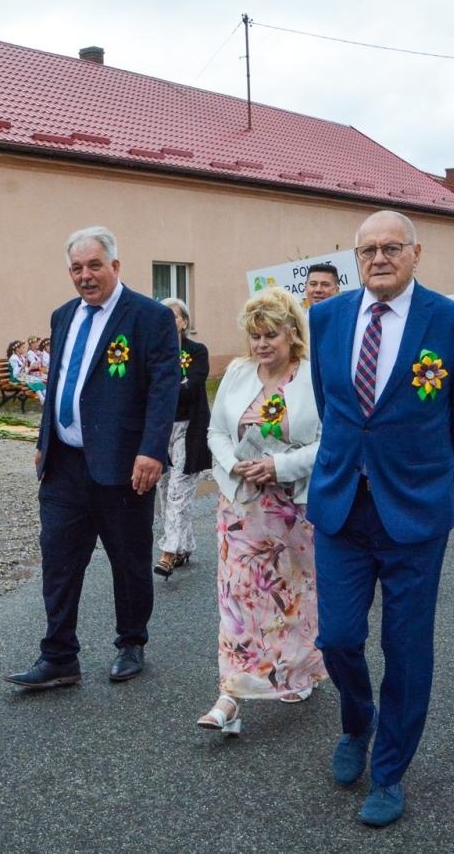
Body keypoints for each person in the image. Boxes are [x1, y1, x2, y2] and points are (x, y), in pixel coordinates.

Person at [307, 210, 454, 827]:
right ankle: (358, 721)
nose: (379, 258)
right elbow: (332, 405)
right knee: (337, 637)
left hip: (414, 512)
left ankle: (389, 771)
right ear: (356, 257)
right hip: (341, 505)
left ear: (415, 253)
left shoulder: (453, 323)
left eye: (391, 248)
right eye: (368, 250)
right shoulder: (327, 317)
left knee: (405, 649)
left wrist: (439, 476)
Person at [7, 227, 180, 689]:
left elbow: (164, 390)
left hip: (124, 463)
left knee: (128, 559)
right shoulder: (64, 315)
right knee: (58, 560)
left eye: (94, 266)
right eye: (77, 268)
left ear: (115, 266)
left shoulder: (149, 317)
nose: (85, 276)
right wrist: (44, 439)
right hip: (64, 464)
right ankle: (59, 655)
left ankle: (131, 642)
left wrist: (152, 450)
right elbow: (59, 383)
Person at [197, 288, 328, 735]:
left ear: (292, 333)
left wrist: (278, 466)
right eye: (255, 336)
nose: (262, 344)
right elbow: (215, 431)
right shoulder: (238, 373)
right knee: (238, 598)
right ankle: (230, 694)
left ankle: (295, 673)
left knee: (291, 597)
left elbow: (329, 441)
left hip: (292, 509)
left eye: (271, 334)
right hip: (241, 507)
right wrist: (233, 464)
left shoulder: (312, 377)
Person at [154, 297, 211, 578]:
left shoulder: (196, 351)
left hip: (189, 429)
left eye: (172, 315)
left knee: (179, 490)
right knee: (166, 491)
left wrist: (162, 389)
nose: (166, 320)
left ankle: (168, 553)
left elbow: (192, 386)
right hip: (161, 429)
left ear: (184, 322)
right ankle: (184, 546)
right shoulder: (154, 351)